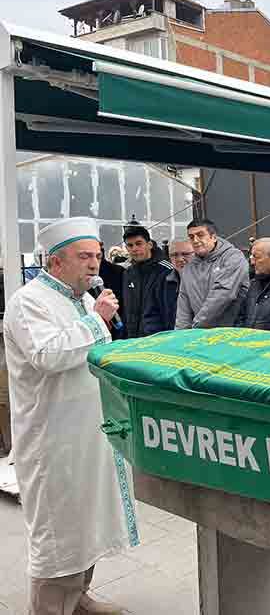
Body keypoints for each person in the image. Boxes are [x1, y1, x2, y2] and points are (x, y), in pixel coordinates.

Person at [4, 218, 137, 615]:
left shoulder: (82, 299)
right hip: (54, 441)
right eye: (84, 257)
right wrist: (97, 320)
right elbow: (47, 356)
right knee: (60, 534)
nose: (94, 264)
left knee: (87, 527)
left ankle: (77, 599)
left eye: (97, 255)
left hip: (90, 432)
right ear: (56, 261)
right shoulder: (29, 301)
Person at [175, 218, 250, 329]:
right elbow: (183, 302)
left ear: (214, 237)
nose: (195, 240)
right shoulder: (189, 266)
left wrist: (197, 326)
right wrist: (181, 334)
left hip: (232, 331)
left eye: (200, 235)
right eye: (191, 237)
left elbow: (223, 295)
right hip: (201, 332)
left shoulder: (233, 258)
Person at [120, 223, 174, 338]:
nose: (134, 249)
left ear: (149, 244)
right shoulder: (128, 273)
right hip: (133, 340)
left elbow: (170, 312)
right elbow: (127, 310)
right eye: (130, 245)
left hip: (158, 339)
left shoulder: (166, 270)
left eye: (138, 243)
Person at [235, 237, 270, 331]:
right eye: (251, 257)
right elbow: (241, 317)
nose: (252, 262)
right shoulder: (253, 284)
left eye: (256, 257)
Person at [162, 239, 193, 330]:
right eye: (174, 255)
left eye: (185, 254)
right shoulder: (163, 281)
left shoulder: (207, 279)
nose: (180, 259)